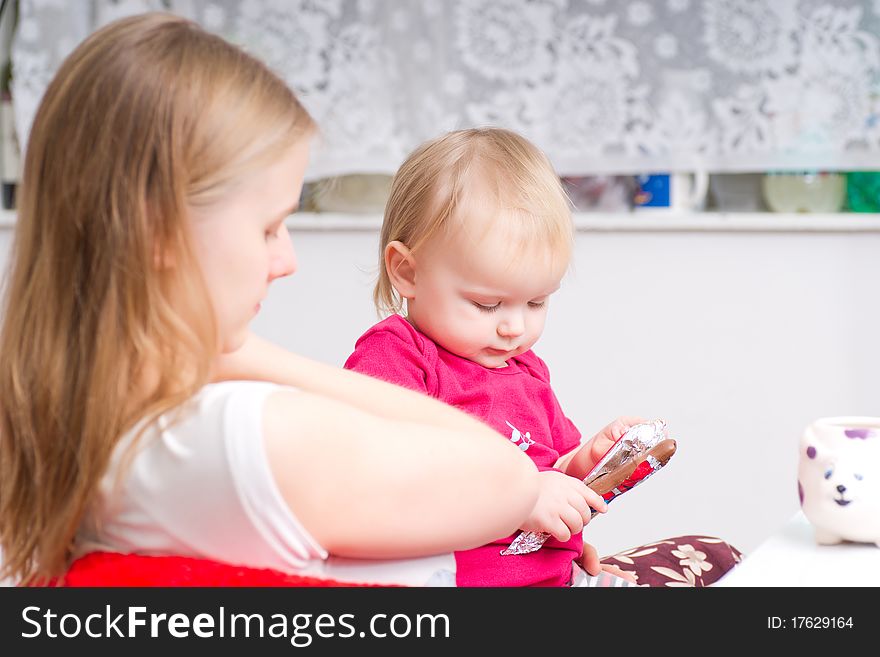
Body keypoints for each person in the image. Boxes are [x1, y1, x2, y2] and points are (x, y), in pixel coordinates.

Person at [0, 14, 544, 587]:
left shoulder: (84, 418)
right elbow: (510, 482)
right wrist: (243, 356)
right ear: (158, 230)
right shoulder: (230, 436)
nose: (286, 261)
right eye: (267, 228)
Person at [344, 127, 646, 586]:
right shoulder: (398, 356)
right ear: (407, 271)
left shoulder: (526, 369)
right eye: (487, 305)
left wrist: (589, 462)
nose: (514, 327)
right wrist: (518, 499)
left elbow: (553, 468)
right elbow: (393, 475)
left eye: (536, 302)